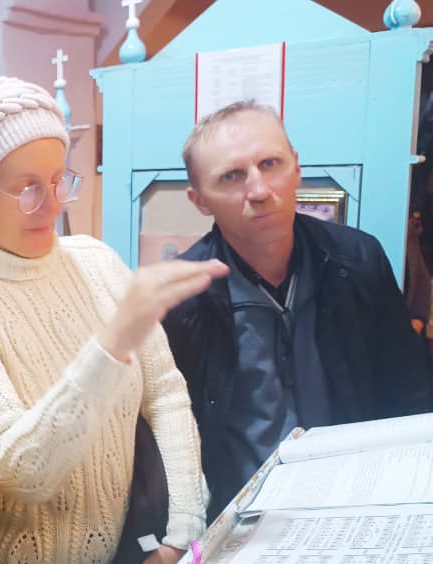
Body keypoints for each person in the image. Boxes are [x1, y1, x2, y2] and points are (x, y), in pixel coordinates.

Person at [0, 76, 228, 564]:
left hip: (136, 545)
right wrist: (111, 344)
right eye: (27, 189)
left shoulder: (96, 262)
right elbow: (21, 470)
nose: (54, 203)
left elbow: (164, 393)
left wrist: (182, 535)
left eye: (60, 179)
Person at [162, 100, 433, 521]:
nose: (258, 190)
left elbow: (409, 392)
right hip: (240, 518)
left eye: (270, 164)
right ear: (199, 200)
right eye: (232, 176)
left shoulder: (358, 261)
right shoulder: (181, 298)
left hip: (356, 500)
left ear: (297, 168)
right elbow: (169, 440)